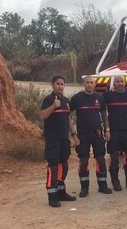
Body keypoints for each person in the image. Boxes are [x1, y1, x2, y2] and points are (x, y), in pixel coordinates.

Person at [40, 75, 79, 208]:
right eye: (58, 83)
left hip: (64, 139)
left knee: (64, 165)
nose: (60, 86)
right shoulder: (48, 99)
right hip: (53, 140)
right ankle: (52, 197)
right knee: (53, 167)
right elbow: (42, 115)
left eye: (62, 84)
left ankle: (61, 192)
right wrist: (53, 106)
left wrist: (74, 135)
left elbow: (68, 119)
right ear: (52, 85)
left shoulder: (66, 100)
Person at [69, 76, 112, 197]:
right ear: (84, 84)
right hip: (82, 134)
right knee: (83, 160)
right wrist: (73, 133)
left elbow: (104, 114)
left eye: (91, 82)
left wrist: (107, 129)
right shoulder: (77, 98)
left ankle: (103, 186)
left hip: (97, 133)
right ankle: (84, 188)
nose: (89, 85)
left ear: (95, 84)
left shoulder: (99, 97)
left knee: (100, 159)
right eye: (87, 82)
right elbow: (68, 115)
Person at [103, 76, 127, 191]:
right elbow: (95, 98)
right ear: (114, 83)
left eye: (122, 81)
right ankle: (115, 182)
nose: (120, 83)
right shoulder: (108, 95)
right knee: (114, 159)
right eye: (117, 82)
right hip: (114, 132)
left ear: (125, 83)